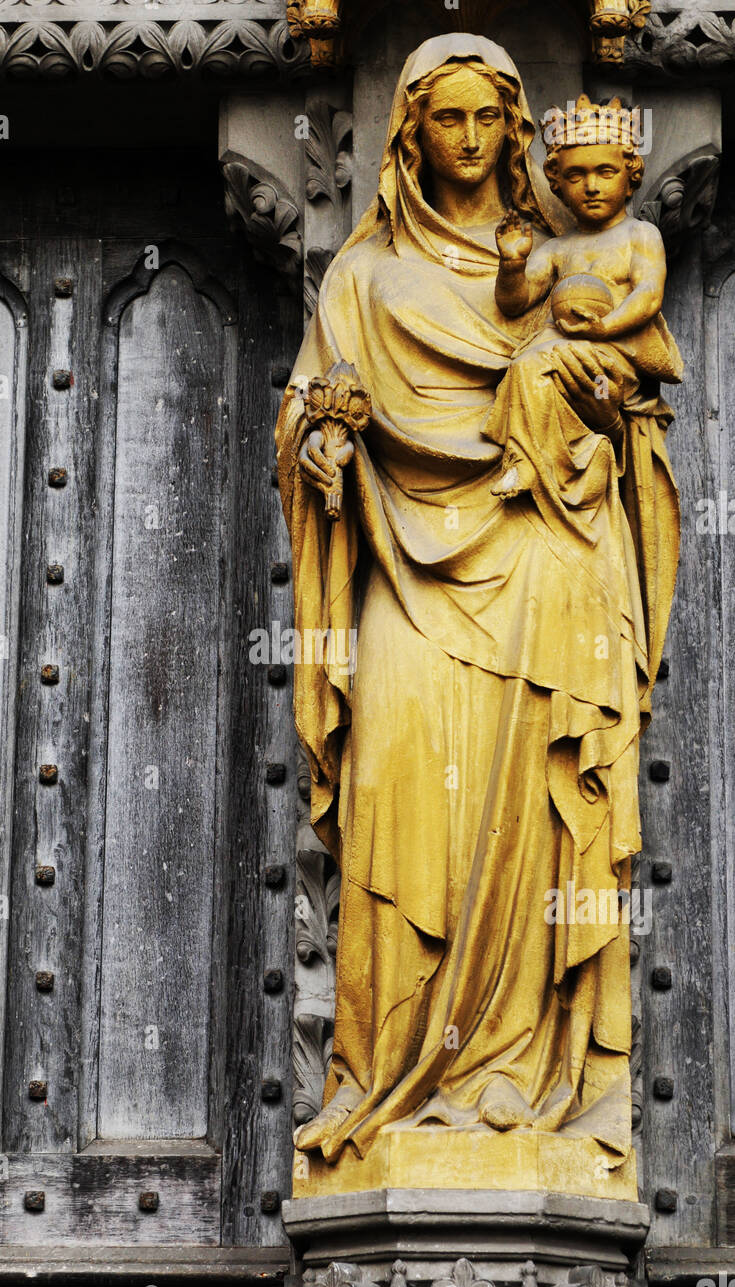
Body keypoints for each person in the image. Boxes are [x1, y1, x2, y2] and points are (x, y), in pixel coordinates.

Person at [275, 34, 679, 1176]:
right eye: (444, 119)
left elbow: (637, 419)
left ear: (514, 132)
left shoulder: (559, 262)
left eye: (485, 120)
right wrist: (321, 442)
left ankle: (539, 1093)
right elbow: (305, 415)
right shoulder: (361, 278)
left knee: (545, 829)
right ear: (409, 132)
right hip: (405, 574)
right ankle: (395, 1092)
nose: (466, 140)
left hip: (547, 567)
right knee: (401, 800)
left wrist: (608, 414)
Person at [489, 94, 681, 501]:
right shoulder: (560, 249)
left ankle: (582, 452)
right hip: (563, 347)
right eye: (576, 176)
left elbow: (648, 295)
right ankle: (531, 460)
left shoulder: (639, 235)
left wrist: (604, 327)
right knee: (526, 368)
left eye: (605, 171)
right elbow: (514, 302)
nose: (591, 186)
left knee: (554, 370)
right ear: (556, 183)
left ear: (630, 175)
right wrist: (511, 264)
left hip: (617, 352)